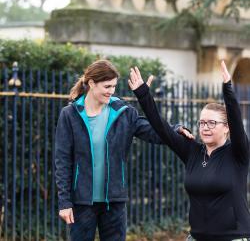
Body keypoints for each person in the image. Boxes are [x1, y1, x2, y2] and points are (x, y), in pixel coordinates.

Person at [55, 59, 192, 241]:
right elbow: (62, 160)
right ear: (91, 84)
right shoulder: (70, 114)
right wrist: (64, 202)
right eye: (107, 86)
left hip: (114, 202)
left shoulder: (124, 112)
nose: (111, 91)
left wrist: (176, 130)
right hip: (82, 203)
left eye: (114, 86)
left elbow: (153, 132)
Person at [128, 60, 250, 241]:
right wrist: (143, 94)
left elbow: (237, 123)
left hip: (232, 237)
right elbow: (162, 129)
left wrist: (227, 89)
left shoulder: (238, 153)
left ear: (227, 128)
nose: (205, 127)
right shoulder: (193, 151)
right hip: (196, 237)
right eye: (202, 123)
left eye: (212, 123)